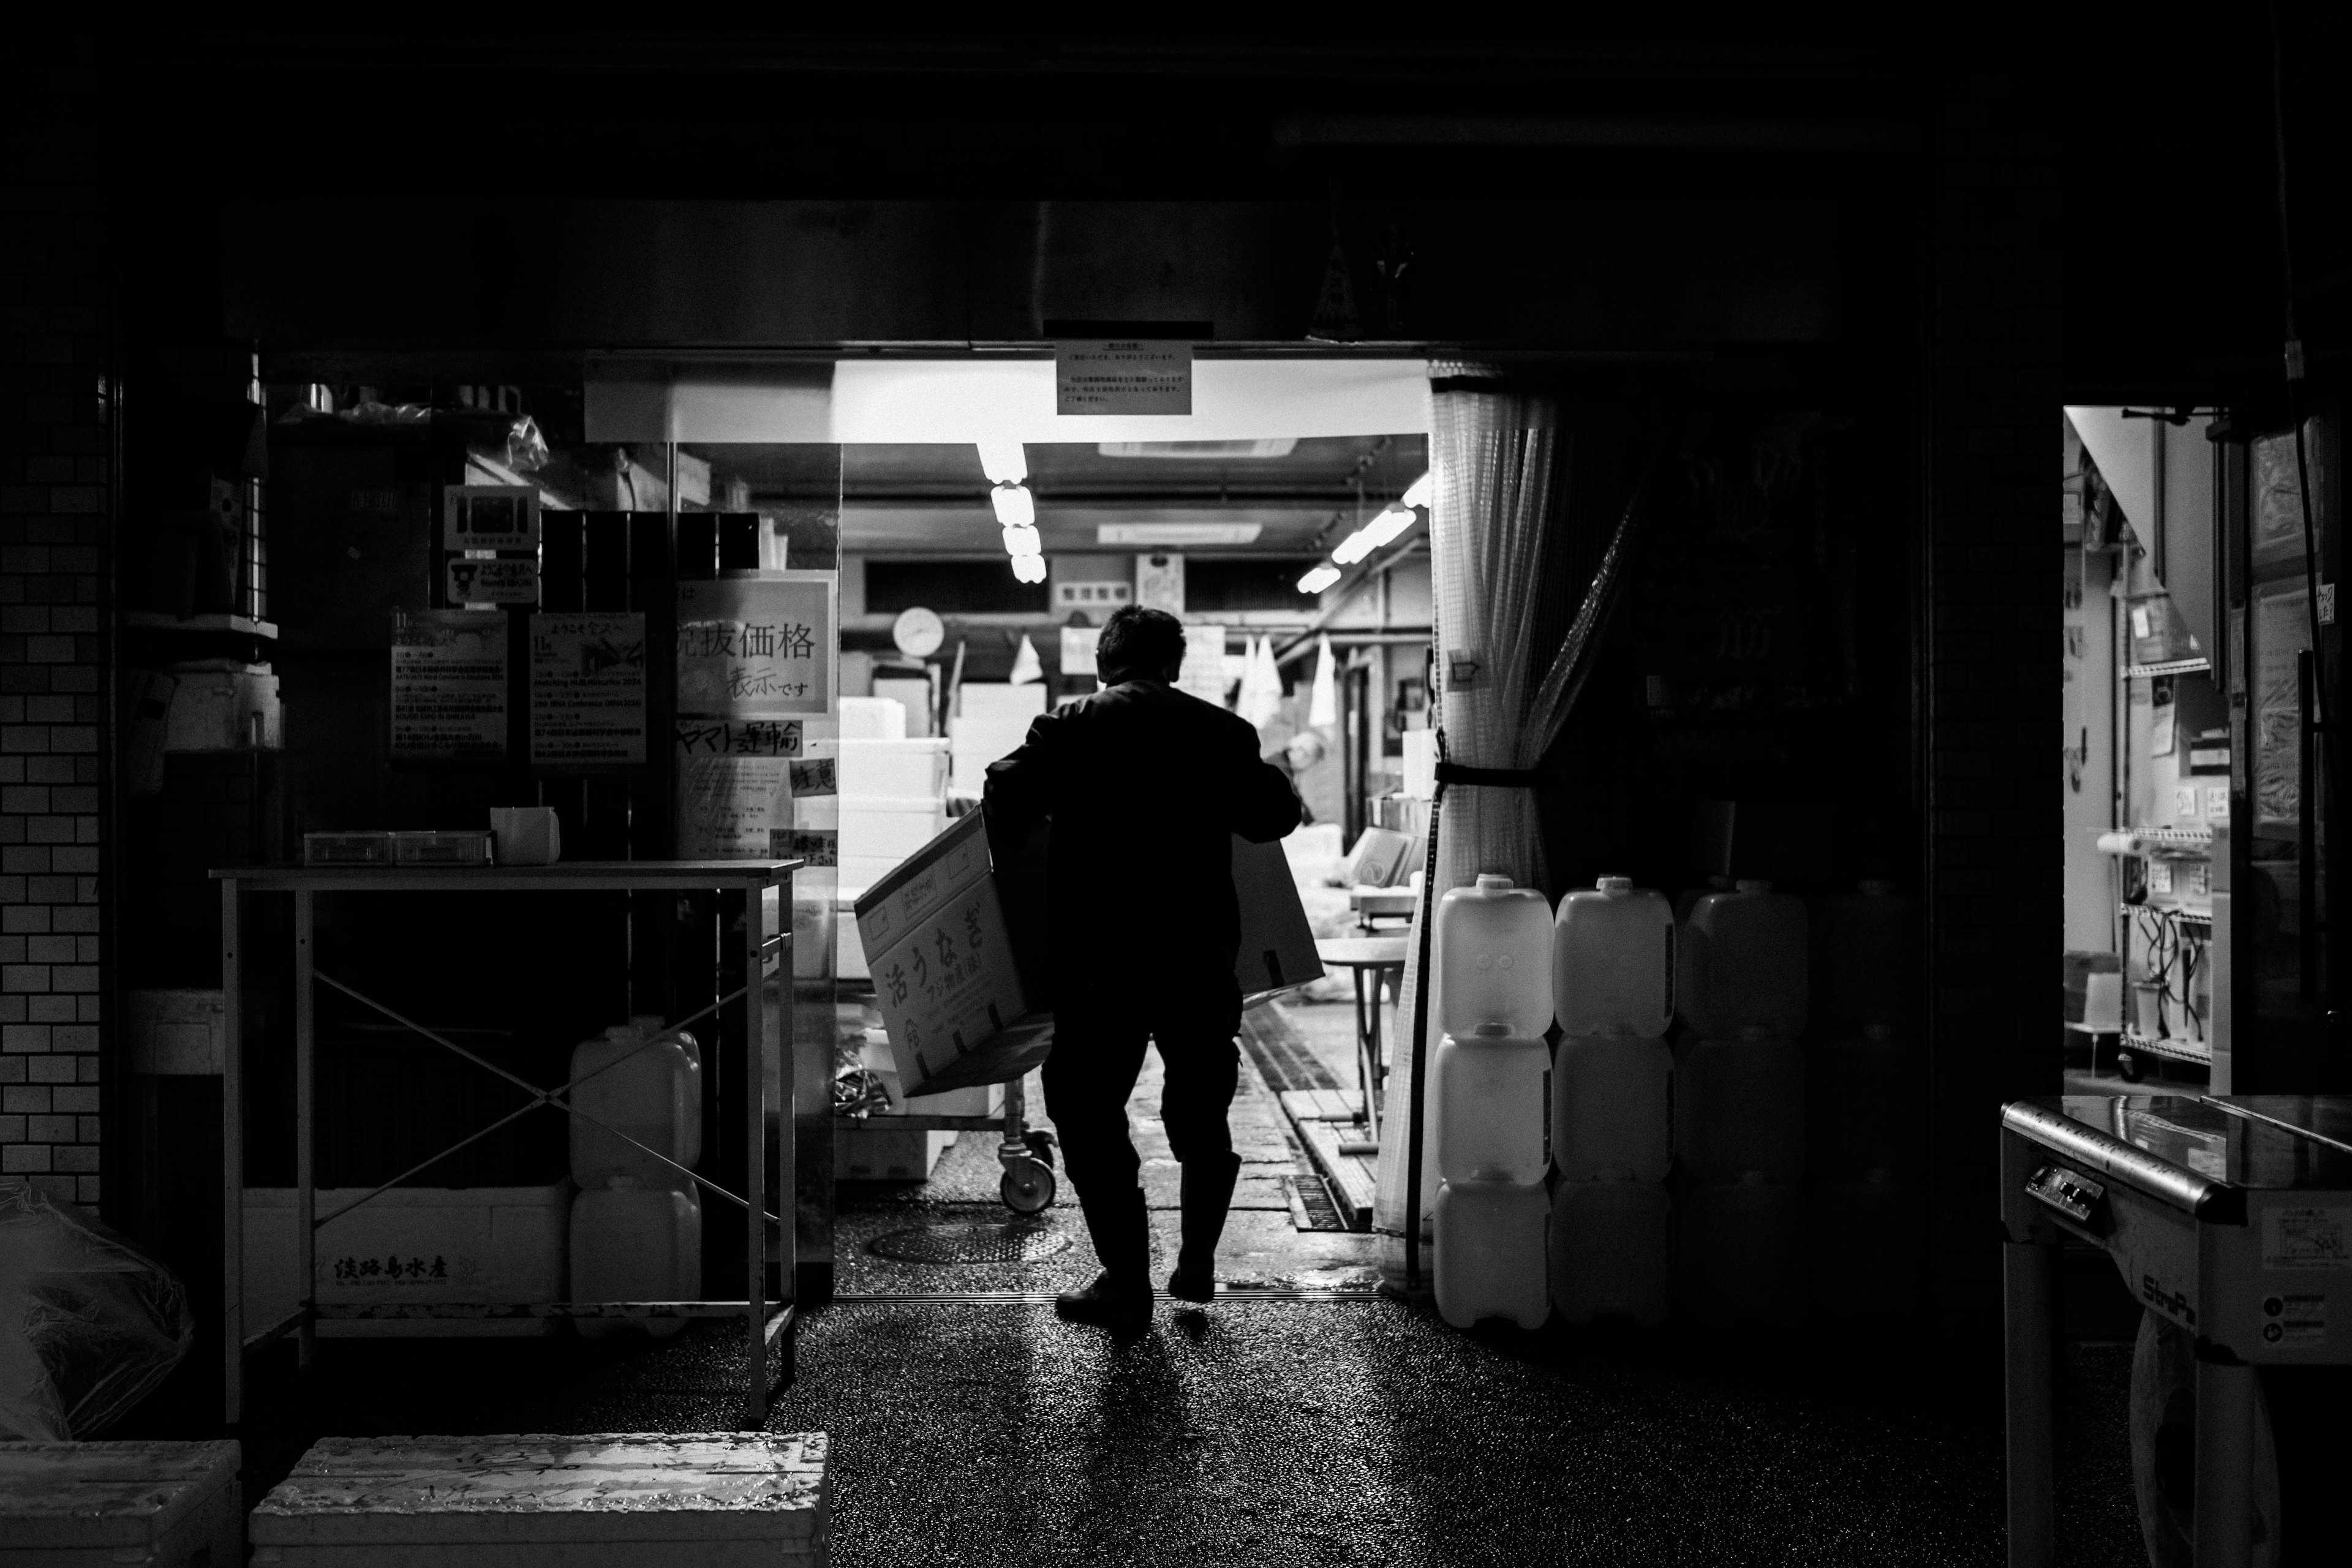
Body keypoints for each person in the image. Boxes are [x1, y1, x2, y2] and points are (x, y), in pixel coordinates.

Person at [984, 606, 1302, 1331]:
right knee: (1201, 1108)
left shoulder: (1069, 726)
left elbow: (1004, 795)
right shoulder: (1221, 731)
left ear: (1105, 663)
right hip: (1196, 957)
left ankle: (1126, 1283)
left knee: (1087, 1111)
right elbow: (1274, 815)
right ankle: (1197, 1261)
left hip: (1100, 963)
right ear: (1175, 665)